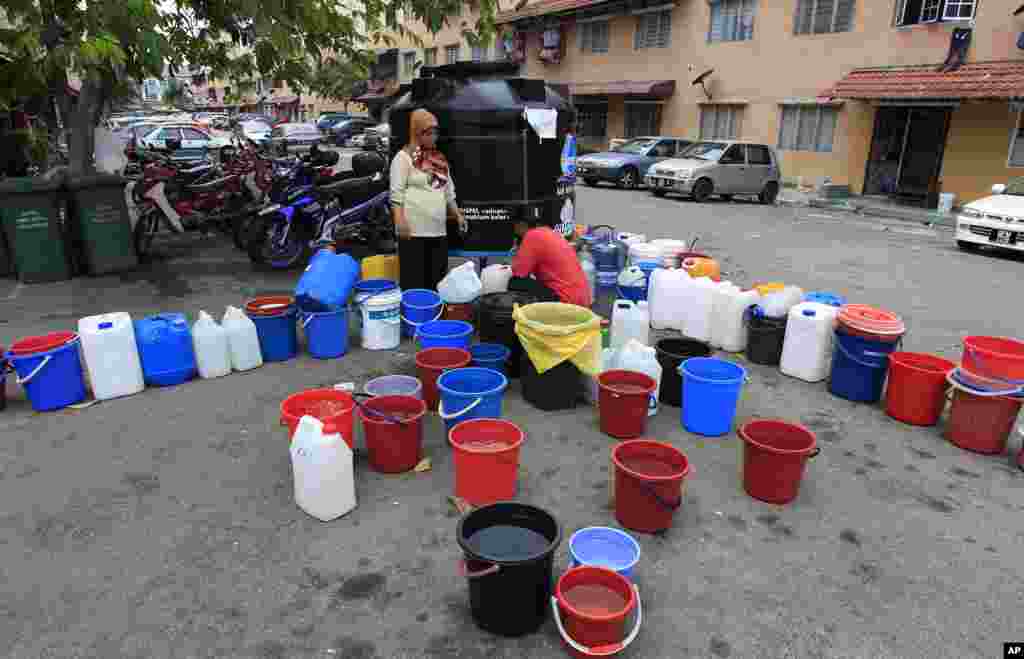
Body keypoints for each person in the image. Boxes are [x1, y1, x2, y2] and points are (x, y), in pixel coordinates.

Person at [389, 109, 468, 292]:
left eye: (435, 132)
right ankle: (415, 318)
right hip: (413, 233)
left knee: (437, 281)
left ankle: (434, 318)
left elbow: (449, 192)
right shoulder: (403, 158)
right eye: (428, 132)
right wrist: (400, 221)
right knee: (414, 281)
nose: (433, 137)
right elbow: (396, 194)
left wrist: (457, 214)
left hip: (437, 232)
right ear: (416, 133)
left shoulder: (438, 159)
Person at [509, 216, 592, 307]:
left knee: (515, 282)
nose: (515, 233)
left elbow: (519, 273)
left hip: (566, 301)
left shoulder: (532, 235)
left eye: (515, 229)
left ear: (522, 225)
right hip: (583, 299)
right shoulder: (552, 234)